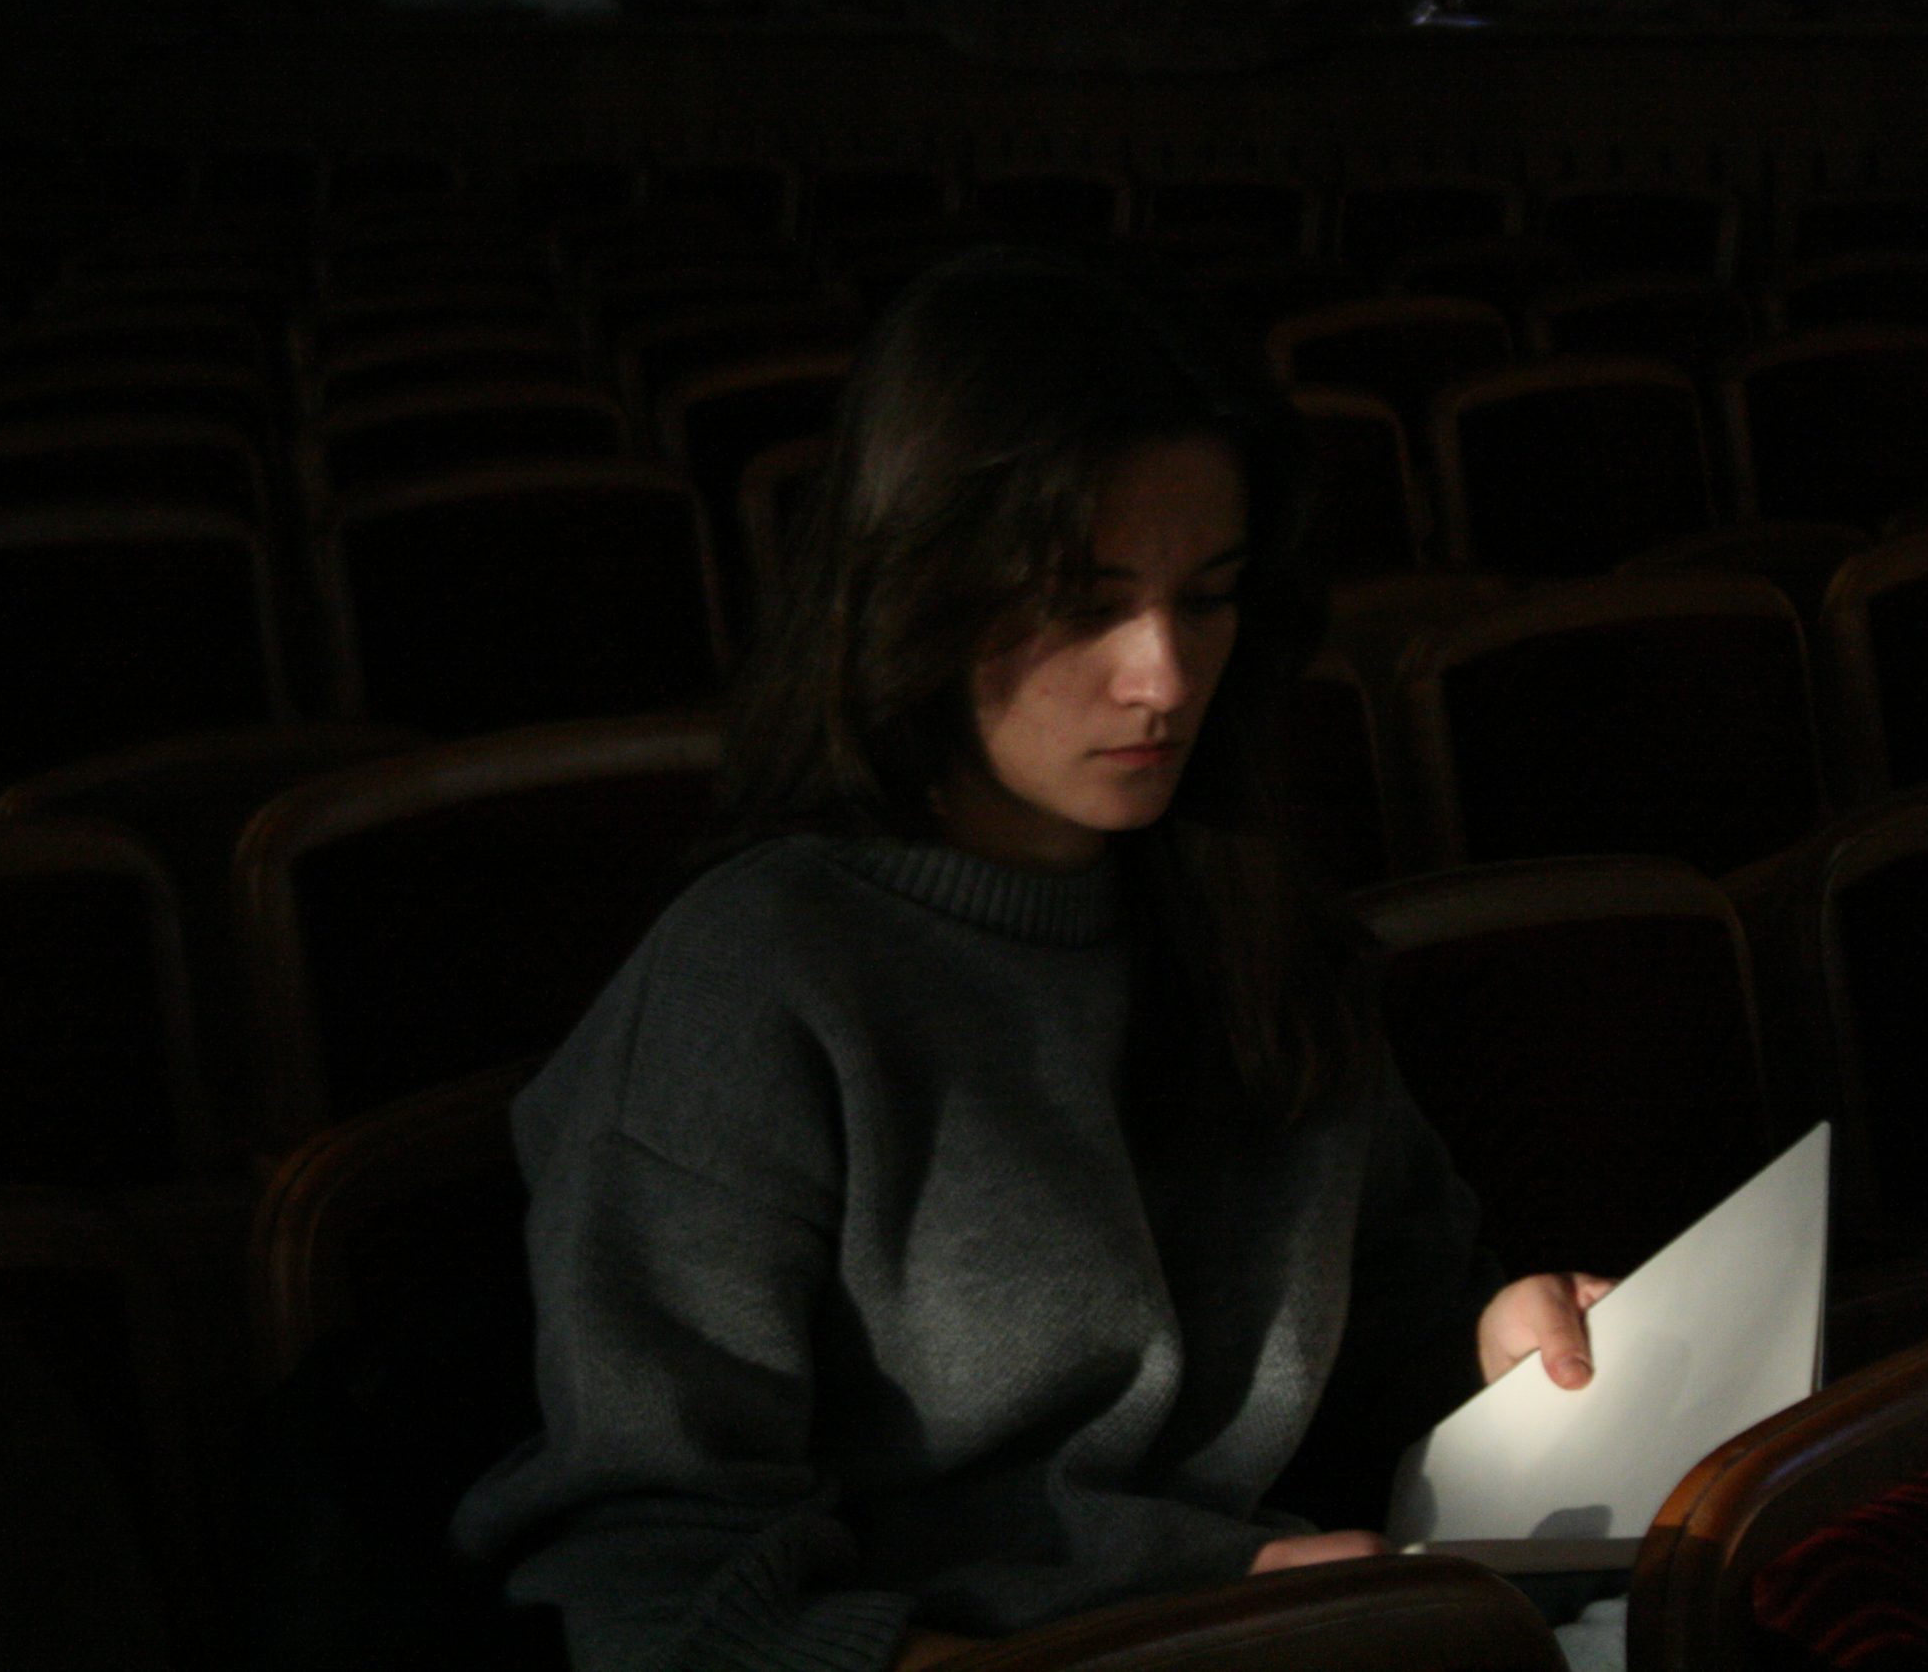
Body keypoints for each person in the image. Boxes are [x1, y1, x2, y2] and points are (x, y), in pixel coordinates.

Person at [451, 247, 1611, 1672]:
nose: (1164, 678)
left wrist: (1495, 1353)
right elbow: (655, 1588)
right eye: (1085, 600)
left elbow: (1384, 1325)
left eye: (1209, 597)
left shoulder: (1238, 909)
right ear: (921, 586)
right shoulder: (753, 983)